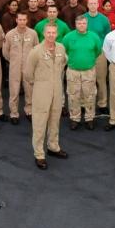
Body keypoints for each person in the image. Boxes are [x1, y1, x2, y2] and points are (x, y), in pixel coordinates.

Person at [24, 23, 68, 170]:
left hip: (57, 89)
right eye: (48, 32)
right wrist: (39, 83)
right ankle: (39, 154)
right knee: (39, 122)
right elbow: (28, 74)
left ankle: (53, 146)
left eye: (53, 33)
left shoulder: (61, 48)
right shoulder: (36, 51)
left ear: (57, 34)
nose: (51, 35)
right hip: (41, 90)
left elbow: (63, 62)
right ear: (44, 34)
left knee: (55, 119)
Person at [61, 15, 103, 129]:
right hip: (73, 71)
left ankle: (89, 118)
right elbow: (64, 51)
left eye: (84, 23)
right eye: (79, 23)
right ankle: (75, 118)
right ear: (75, 24)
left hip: (89, 71)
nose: (81, 25)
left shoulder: (94, 37)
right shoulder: (68, 37)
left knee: (89, 95)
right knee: (73, 95)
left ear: (87, 24)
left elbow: (97, 51)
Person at [2, 13, 36, 124]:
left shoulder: (32, 33)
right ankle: (14, 113)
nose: (22, 21)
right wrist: (13, 60)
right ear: (16, 20)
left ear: (27, 20)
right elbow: (5, 51)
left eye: (24, 19)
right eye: (20, 19)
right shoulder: (10, 34)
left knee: (29, 90)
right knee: (14, 91)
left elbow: (36, 49)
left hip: (28, 67)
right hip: (14, 66)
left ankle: (29, 111)